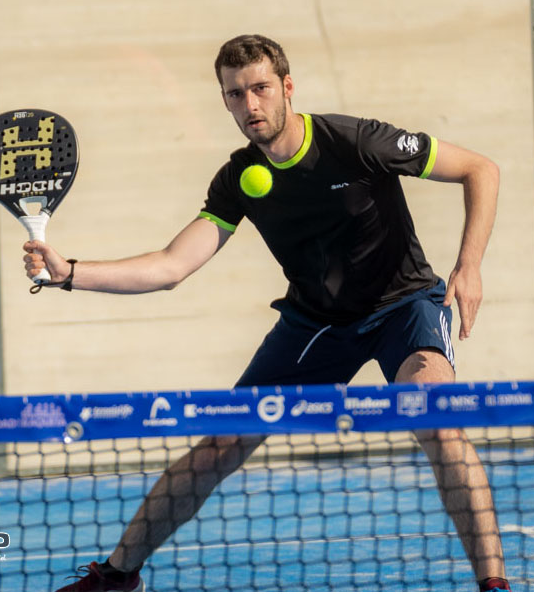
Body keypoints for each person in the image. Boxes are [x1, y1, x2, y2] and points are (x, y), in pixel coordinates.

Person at [28, 34, 508, 592]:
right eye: (235, 94)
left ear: (287, 87)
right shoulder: (238, 180)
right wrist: (70, 273)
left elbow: (480, 169)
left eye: (260, 88)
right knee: (220, 445)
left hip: (403, 306)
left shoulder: (356, 141)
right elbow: (170, 266)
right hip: (316, 323)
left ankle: (493, 585)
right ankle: (118, 574)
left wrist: (469, 265)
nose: (250, 104)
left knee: (437, 420)